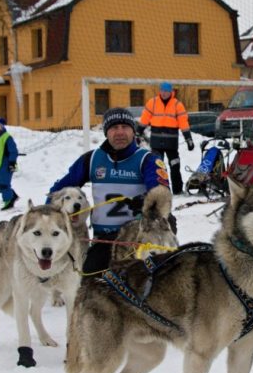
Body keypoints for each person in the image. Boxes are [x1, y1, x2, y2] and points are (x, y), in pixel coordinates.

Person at [48, 107, 170, 273]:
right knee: (89, 279)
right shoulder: (92, 159)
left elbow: (161, 194)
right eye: (114, 127)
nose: (120, 132)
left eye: (125, 127)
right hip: (104, 240)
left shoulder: (147, 160)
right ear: (106, 132)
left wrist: (145, 201)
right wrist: (47, 215)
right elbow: (57, 191)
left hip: (137, 238)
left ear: (133, 131)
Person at [138, 82, 194, 194]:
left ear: (171, 92)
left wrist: (188, 139)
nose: (164, 93)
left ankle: (177, 191)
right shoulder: (152, 102)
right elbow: (144, 118)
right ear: (160, 91)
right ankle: (157, 190)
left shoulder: (177, 104)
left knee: (175, 165)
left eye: (166, 91)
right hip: (156, 142)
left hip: (171, 143)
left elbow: (183, 122)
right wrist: (138, 132)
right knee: (157, 167)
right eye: (162, 91)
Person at [0, 117, 19, 211]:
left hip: (6, 165)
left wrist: (12, 162)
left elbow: (13, 151)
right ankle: (12, 195)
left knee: (4, 184)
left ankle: (8, 201)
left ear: (2, 126)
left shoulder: (7, 137)